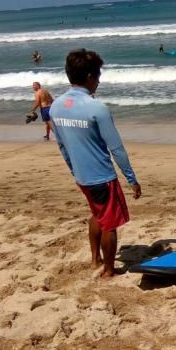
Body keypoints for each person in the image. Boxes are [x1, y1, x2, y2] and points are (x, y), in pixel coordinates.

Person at [49, 48, 142, 279]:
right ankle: (109, 271)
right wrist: (131, 179)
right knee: (109, 223)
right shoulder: (96, 108)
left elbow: (62, 145)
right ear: (90, 76)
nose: (99, 81)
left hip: (81, 176)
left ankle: (95, 259)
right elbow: (116, 148)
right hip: (102, 176)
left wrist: (73, 169)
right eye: (98, 75)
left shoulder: (56, 106)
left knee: (96, 214)